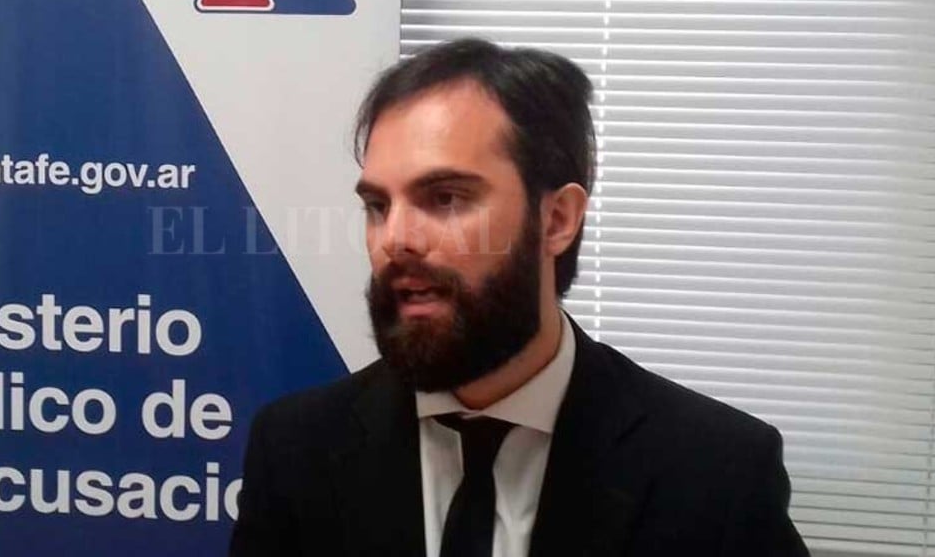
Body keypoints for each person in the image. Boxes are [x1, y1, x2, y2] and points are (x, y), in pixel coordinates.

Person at [229, 38, 809, 557]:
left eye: (446, 198)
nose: (394, 239)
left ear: (556, 220)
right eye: (378, 206)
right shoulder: (297, 450)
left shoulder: (717, 473)